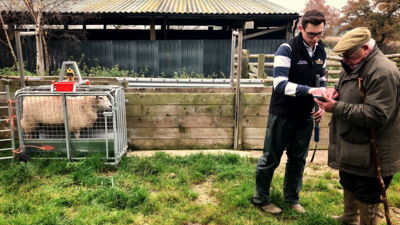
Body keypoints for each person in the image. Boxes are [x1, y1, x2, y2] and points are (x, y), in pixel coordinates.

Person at [316, 27, 400, 225]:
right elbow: (348, 88)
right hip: (353, 142)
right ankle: (350, 217)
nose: (344, 60)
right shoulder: (355, 65)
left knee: (368, 192)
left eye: (347, 55)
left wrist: (336, 107)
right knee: (349, 181)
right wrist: (334, 92)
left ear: (365, 48)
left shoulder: (382, 72)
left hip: (374, 148)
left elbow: (377, 114)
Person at [253, 9, 327, 214]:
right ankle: (261, 198)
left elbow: (321, 80)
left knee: (298, 159)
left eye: (320, 34)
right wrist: (310, 91)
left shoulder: (322, 50)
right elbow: (279, 84)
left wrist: (320, 103)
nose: (315, 38)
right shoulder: (286, 49)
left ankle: (292, 199)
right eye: (311, 34)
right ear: (301, 28)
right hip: (282, 113)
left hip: (305, 115)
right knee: (271, 158)